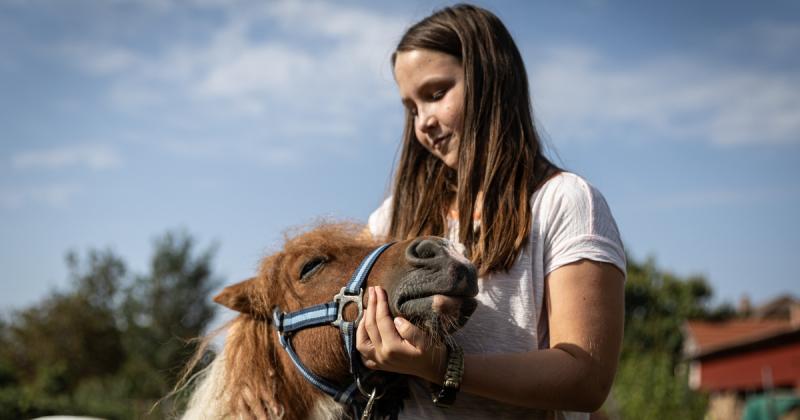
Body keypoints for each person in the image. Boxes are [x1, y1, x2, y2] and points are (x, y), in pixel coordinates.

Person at [355, 4, 626, 420]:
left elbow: (586, 378)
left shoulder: (565, 202)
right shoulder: (389, 220)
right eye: (411, 107)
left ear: (491, 81)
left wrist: (443, 367)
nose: (423, 122)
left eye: (436, 94)